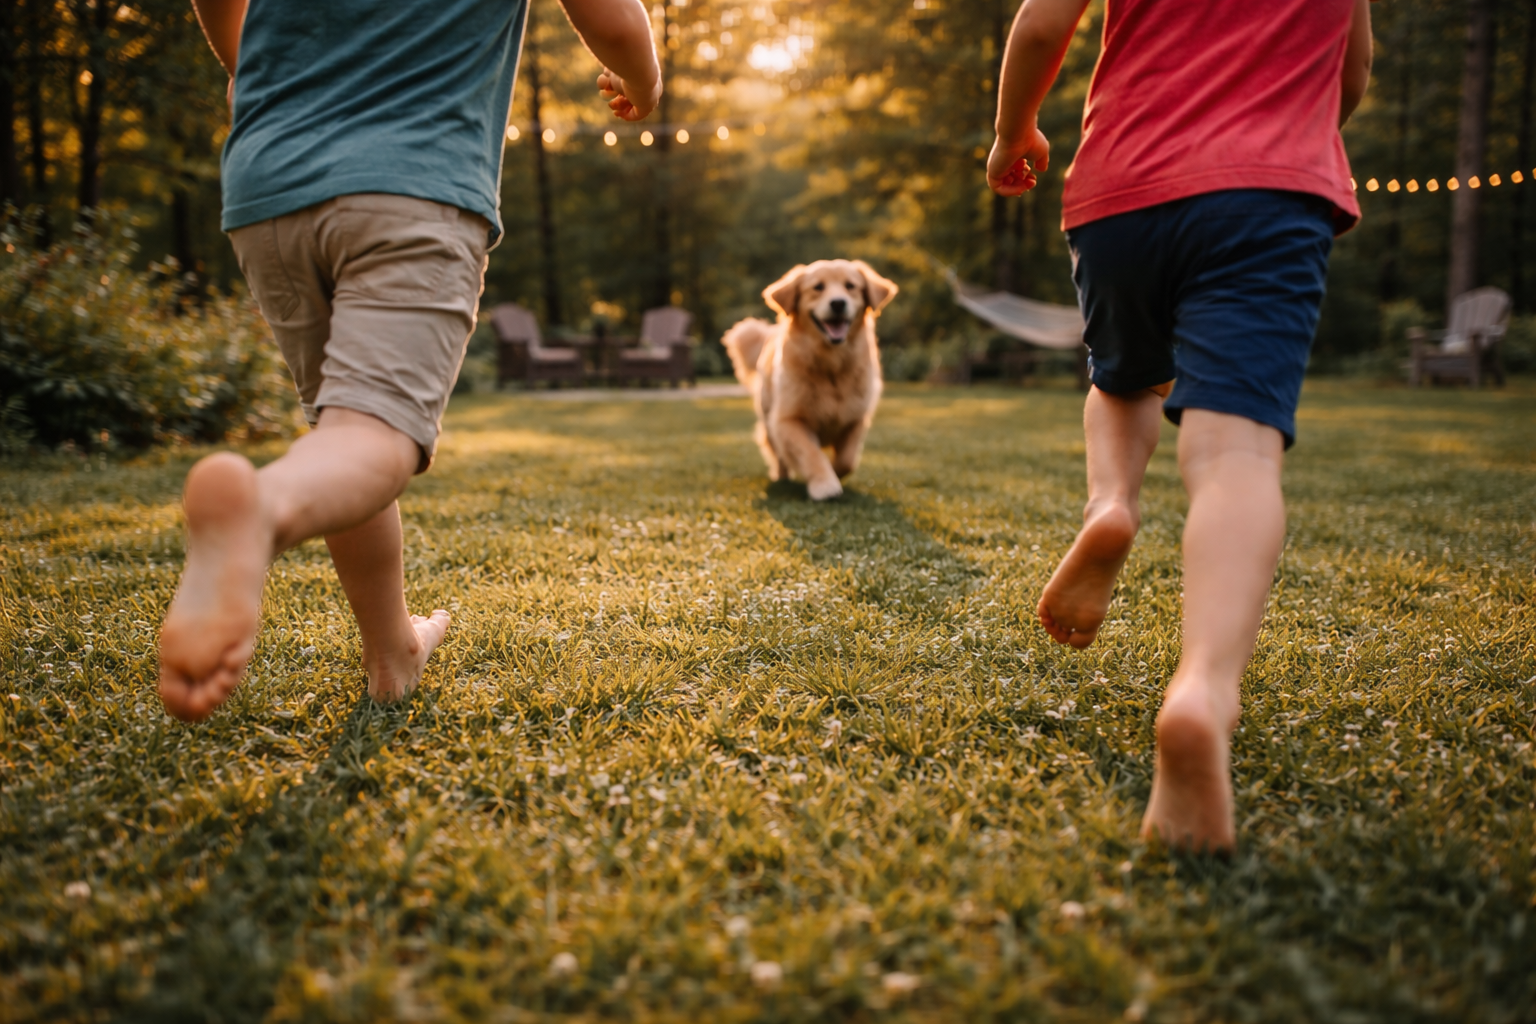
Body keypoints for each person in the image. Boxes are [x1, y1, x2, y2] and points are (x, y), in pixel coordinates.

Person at [159, 0, 661, 722]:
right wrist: (642, 85)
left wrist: (246, 63)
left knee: (341, 431)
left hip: (269, 185)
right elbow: (612, 19)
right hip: (411, 182)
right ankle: (257, 514)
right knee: (374, 437)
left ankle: (392, 656)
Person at [987, 0, 1373, 850]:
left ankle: (1111, 505)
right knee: (1236, 450)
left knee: (1124, 384)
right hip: (1268, 191)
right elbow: (1351, 70)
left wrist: (1013, 132)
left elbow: (1044, 25)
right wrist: (1291, 126)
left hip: (1119, 194)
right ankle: (1203, 691)